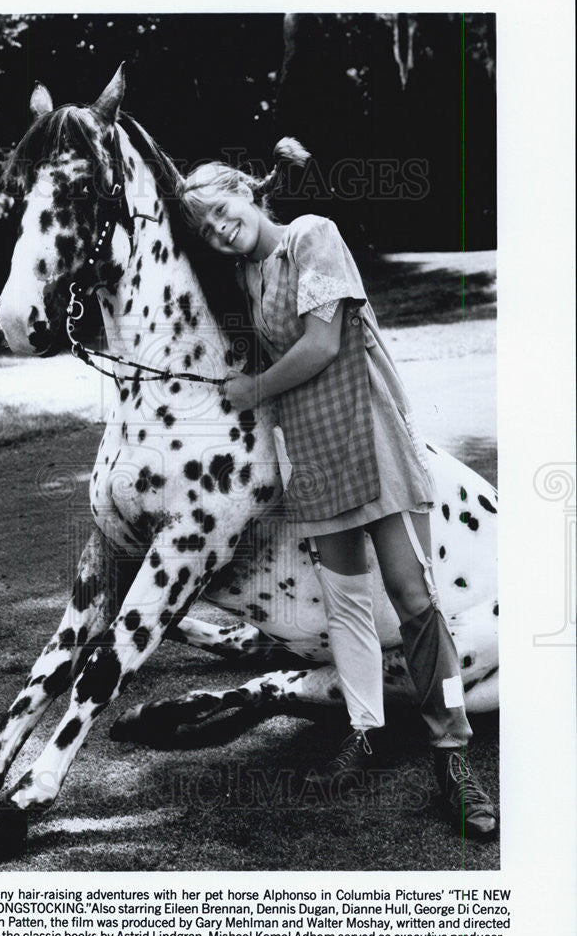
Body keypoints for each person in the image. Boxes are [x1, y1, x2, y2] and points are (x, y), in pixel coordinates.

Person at [177, 140, 498, 840]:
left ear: (246, 193)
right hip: (313, 453)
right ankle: (366, 729)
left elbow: (322, 345)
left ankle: (451, 754)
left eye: (221, 211)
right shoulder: (246, 279)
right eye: (204, 228)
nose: (218, 229)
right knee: (348, 607)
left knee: (416, 601)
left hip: (371, 437)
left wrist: (252, 389)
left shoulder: (313, 235)